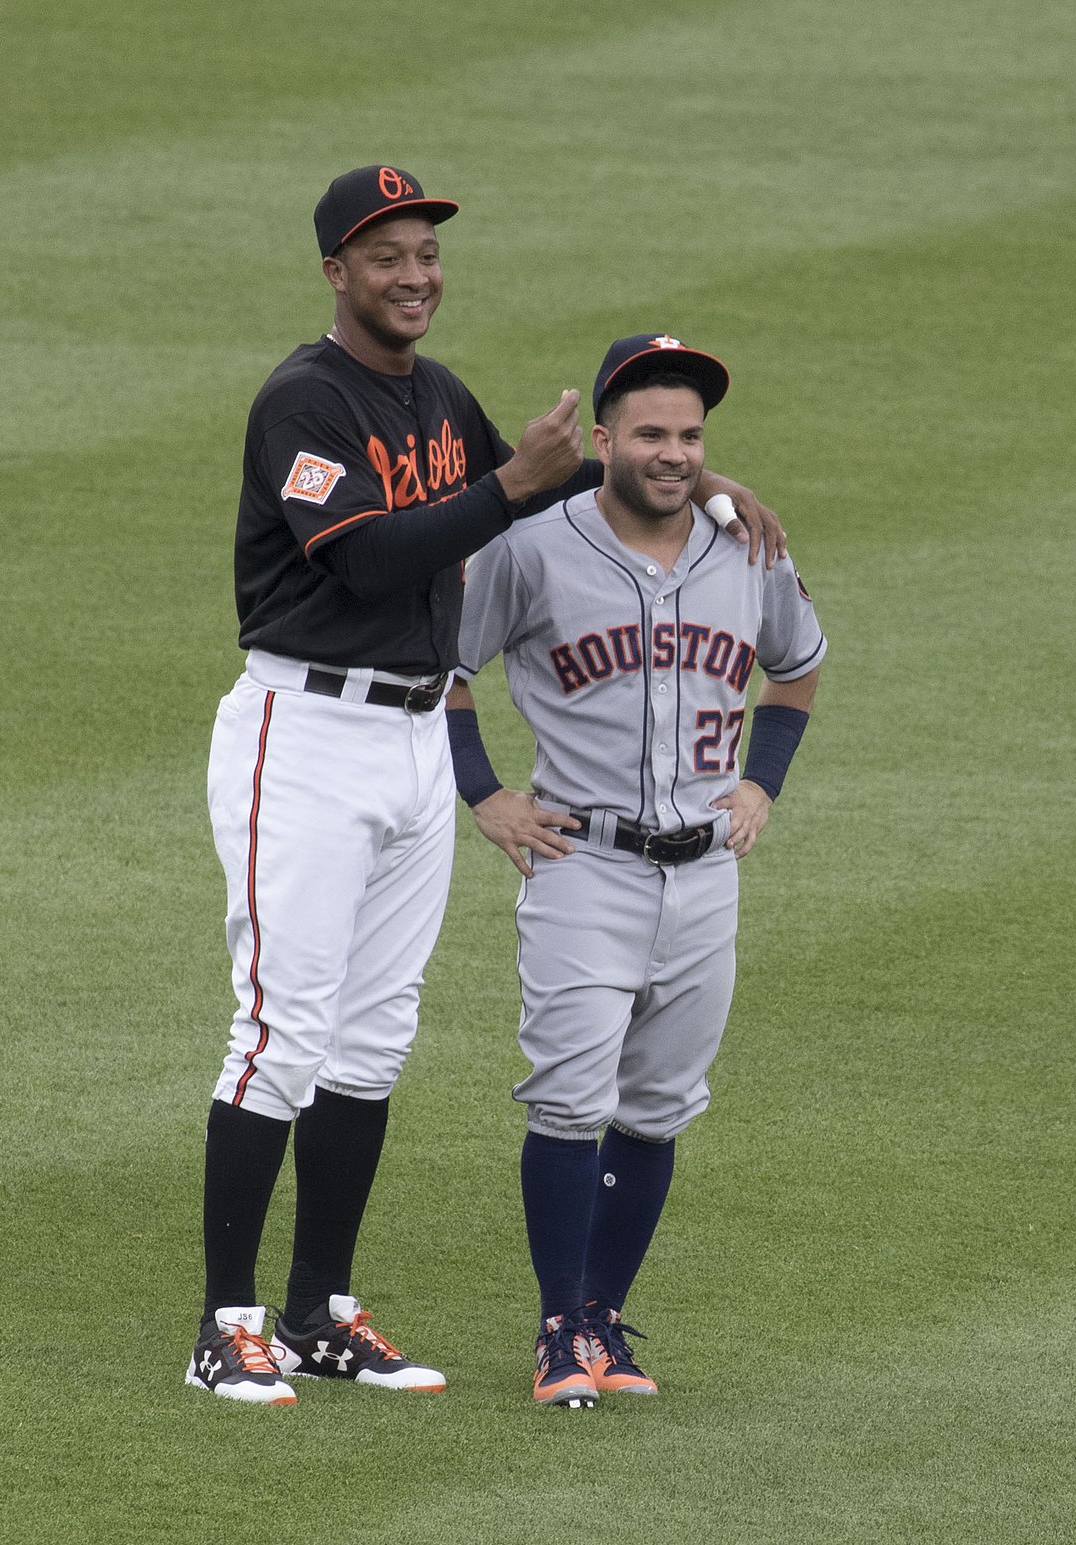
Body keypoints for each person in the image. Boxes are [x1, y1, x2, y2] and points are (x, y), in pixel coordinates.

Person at [187, 164, 787, 1407]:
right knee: (280, 1033)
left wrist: (701, 479)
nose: (415, 276)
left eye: (426, 253)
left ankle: (321, 1310)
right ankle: (225, 1320)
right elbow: (367, 561)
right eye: (387, 256)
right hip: (302, 730)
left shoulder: (439, 398)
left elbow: (565, 482)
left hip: (410, 739)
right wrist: (514, 482)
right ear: (336, 274)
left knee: (372, 1036)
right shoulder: (304, 400)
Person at [446, 333, 826, 1407]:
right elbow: (440, 667)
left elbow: (797, 669)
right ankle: (559, 1327)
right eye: (651, 433)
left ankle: (604, 1317)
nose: (672, 453)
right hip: (584, 865)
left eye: (691, 436)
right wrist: (485, 792)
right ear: (602, 439)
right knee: (570, 1097)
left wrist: (764, 784)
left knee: (657, 1106)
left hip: (707, 874)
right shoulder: (531, 549)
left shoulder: (749, 549)